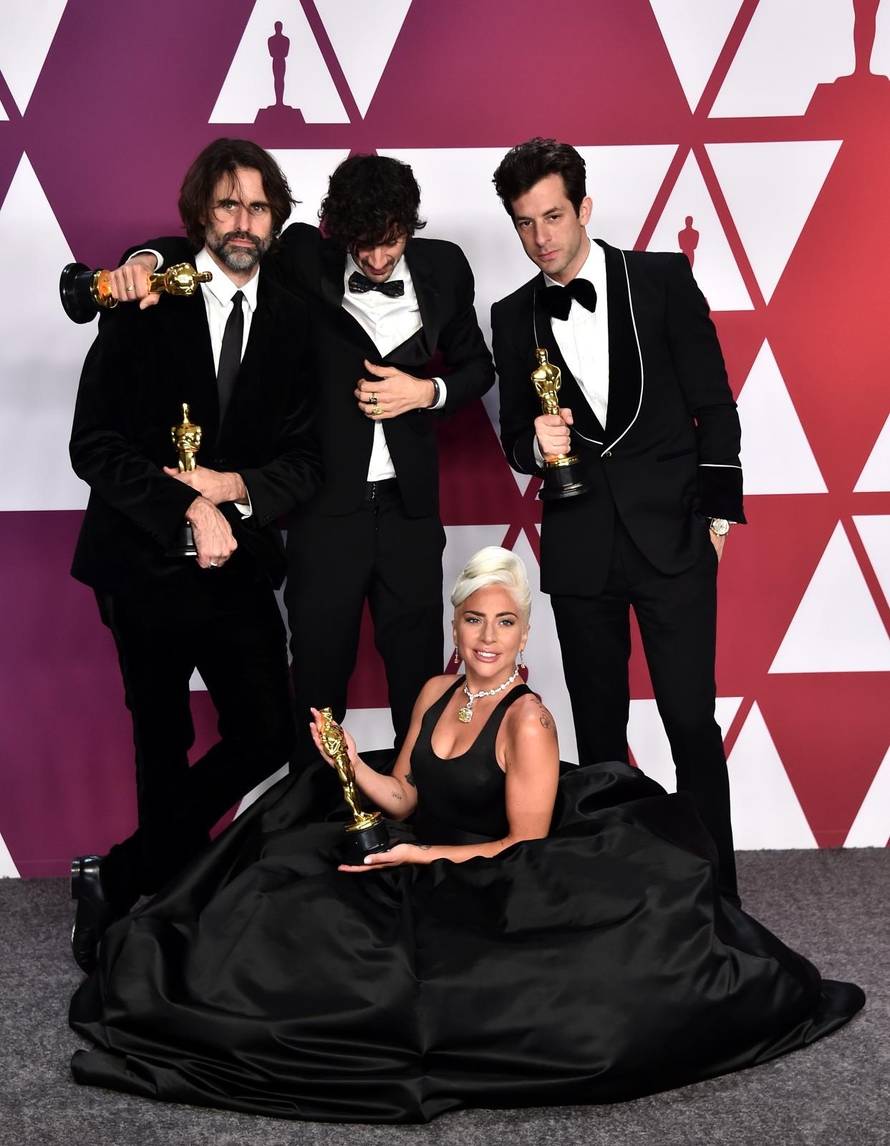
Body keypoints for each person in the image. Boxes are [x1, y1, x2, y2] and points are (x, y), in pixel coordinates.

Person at [69, 547, 863, 1123]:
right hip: (421, 849)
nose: (488, 638)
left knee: (373, 971)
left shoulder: (531, 725)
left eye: (505, 623)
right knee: (278, 884)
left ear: (524, 635)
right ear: (455, 622)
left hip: (490, 877)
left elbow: (525, 848)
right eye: (475, 619)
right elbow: (407, 795)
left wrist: (422, 858)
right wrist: (350, 762)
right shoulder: (436, 690)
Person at [113, 154, 495, 762]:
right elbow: (214, 244)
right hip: (323, 509)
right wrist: (147, 261)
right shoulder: (298, 257)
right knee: (317, 680)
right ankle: (309, 825)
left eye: (390, 242)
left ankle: (417, 820)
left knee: (419, 678)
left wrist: (426, 392)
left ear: (411, 225)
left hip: (411, 512)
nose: (375, 260)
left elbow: (478, 366)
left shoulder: (446, 267)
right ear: (335, 232)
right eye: (361, 246)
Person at [68, 138, 321, 974]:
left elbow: (304, 459)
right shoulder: (149, 292)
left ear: (275, 218)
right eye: (227, 205)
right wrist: (185, 504)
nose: (242, 222)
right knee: (161, 738)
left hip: (236, 564)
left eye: (257, 206)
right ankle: (162, 924)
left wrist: (233, 489)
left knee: (269, 733)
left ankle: (122, 874)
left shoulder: (293, 315)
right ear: (199, 215)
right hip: (140, 563)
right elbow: (93, 444)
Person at [490, 138, 744, 901]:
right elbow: (512, 442)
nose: (543, 237)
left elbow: (714, 406)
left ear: (585, 209)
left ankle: (717, 895)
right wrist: (532, 445)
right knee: (600, 740)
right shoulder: (511, 316)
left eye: (555, 216)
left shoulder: (661, 278)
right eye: (526, 223)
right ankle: (618, 898)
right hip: (579, 550)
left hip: (674, 537)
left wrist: (720, 518)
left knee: (690, 724)